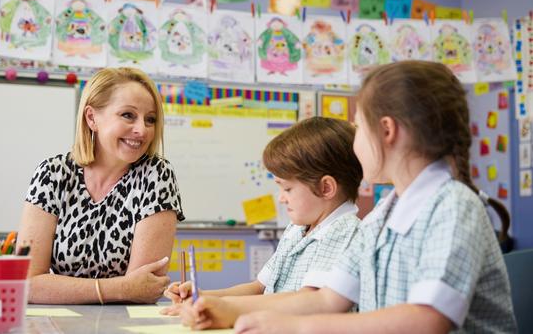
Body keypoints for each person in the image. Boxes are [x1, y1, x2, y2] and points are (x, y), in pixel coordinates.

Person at [180, 61, 516, 333]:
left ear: (387, 131)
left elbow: (426, 320)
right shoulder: (384, 215)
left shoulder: (454, 207)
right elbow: (327, 300)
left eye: (358, 128)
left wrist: (294, 328)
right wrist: (225, 309)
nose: (354, 145)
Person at [161, 117, 363, 315]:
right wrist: (203, 298)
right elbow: (259, 288)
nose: (281, 199)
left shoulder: (343, 230)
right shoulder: (297, 229)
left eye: (288, 189)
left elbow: (309, 300)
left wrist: (229, 309)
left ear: (326, 188)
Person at [17, 67, 184, 304]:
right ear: (92, 118)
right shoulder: (52, 174)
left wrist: (58, 287)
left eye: (150, 119)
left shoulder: (156, 175)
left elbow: (143, 290)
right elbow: (26, 283)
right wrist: (121, 287)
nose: (142, 130)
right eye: (128, 115)